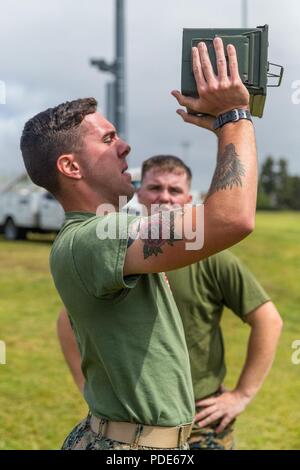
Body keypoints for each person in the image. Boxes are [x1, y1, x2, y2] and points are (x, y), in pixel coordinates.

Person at [20, 38, 258, 450]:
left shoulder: (107, 229)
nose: (126, 146)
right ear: (70, 166)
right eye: (109, 139)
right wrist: (234, 118)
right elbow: (231, 218)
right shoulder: (93, 237)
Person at [58, 155, 282, 450]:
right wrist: (84, 384)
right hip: (136, 425)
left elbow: (268, 319)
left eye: (174, 190)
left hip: (202, 420)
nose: (164, 196)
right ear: (139, 193)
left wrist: (241, 395)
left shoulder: (212, 258)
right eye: (155, 187)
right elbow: (68, 317)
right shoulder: (120, 249)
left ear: (189, 198)